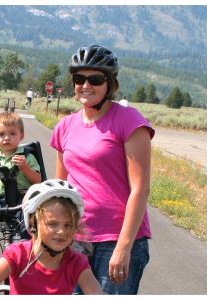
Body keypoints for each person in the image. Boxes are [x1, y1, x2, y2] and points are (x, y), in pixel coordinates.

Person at [50, 44, 153, 295]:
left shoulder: (129, 121)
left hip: (115, 239)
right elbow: (60, 189)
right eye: (79, 79)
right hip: (74, 238)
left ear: (110, 83)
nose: (86, 86)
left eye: (95, 79)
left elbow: (140, 189)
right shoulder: (65, 126)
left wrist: (124, 246)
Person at [0, 180, 101, 295]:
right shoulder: (18, 255)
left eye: (68, 225)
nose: (61, 231)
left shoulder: (76, 262)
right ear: (34, 224)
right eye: (53, 224)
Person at [0, 111, 42, 205]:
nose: (6, 138)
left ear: (21, 136)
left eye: (12, 133)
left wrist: (25, 168)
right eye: (1, 134)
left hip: (23, 202)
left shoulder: (27, 157)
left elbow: (38, 181)